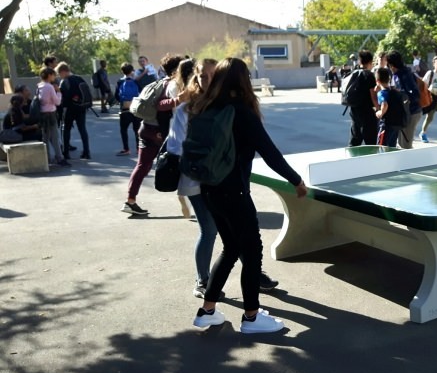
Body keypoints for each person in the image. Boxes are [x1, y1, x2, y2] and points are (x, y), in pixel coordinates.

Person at [190, 58, 308, 334]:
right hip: (234, 192)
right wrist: (297, 181)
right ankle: (252, 317)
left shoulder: (207, 107)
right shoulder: (241, 112)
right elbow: (269, 153)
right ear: (243, 81)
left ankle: (207, 311)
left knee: (231, 248)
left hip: (209, 190)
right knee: (251, 252)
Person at [121, 55, 183, 215]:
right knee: (180, 165)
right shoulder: (172, 85)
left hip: (145, 128)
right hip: (158, 133)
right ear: (177, 69)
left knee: (142, 166)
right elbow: (162, 108)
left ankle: (130, 200)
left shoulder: (158, 83)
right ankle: (192, 203)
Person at [386, 50, 422, 149]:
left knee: (406, 145)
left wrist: (401, 96)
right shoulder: (398, 74)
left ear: (392, 65)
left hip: (411, 112)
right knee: (402, 143)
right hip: (404, 113)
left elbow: (415, 94)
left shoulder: (405, 75)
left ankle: (411, 164)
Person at [56, 62, 91, 160]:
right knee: (82, 130)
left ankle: (66, 153)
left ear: (63, 72)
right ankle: (86, 152)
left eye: (59, 74)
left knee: (66, 130)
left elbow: (63, 97)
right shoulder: (79, 78)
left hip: (70, 109)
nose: (59, 76)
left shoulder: (65, 81)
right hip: (81, 108)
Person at [37, 67, 70, 167]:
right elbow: (57, 102)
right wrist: (59, 92)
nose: (55, 77)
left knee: (45, 138)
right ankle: (59, 158)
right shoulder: (50, 87)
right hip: (51, 114)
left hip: (42, 114)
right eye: (53, 75)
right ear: (49, 75)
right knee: (55, 137)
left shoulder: (39, 86)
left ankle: (47, 158)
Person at [347, 50, 379, 146]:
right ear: (370, 62)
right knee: (371, 140)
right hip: (366, 111)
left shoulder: (353, 73)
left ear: (360, 61)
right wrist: (378, 108)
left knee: (355, 138)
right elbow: (373, 95)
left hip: (353, 109)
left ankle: (351, 158)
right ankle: (371, 159)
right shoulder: (369, 75)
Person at [115, 63, 141, 156]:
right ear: (132, 71)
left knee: (123, 129)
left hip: (125, 109)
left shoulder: (120, 82)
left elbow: (117, 96)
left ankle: (126, 149)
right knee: (137, 130)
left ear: (122, 71)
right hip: (136, 109)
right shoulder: (136, 81)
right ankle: (139, 149)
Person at [375, 67, 400, 147]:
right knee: (392, 146)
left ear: (378, 81)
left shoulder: (382, 93)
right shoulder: (393, 91)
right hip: (395, 123)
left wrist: (380, 113)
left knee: (381, 146)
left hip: (386, 124)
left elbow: (385, 104)